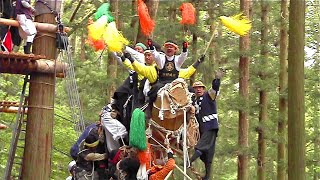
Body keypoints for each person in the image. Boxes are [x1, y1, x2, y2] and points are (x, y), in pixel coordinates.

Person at [188, 68, 225, 180]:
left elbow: (215, 89)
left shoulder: (209, 96)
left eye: (200, 87)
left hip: (211, 127)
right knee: (207, 155)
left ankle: (188, 162)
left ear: (204, 89)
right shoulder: (193, 100)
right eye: (196, 88)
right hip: (202, 129)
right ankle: (207, 177)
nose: (198, 89)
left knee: (201, 146)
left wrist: (217, 79)